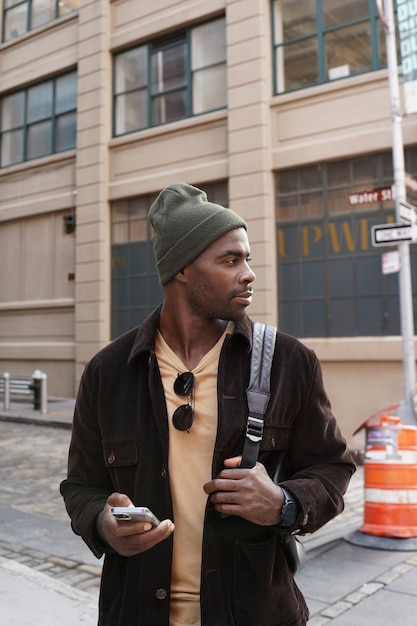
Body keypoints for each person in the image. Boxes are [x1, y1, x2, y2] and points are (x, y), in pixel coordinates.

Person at [60, 182, 355, 626]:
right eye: (230, 260)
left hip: (253, 614)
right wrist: (104, 524)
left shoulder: (290, 362)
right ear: (182, 269)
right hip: (136, 612)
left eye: (247, 259)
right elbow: (81, 486)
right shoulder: (108, 371)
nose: (248, 272)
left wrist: (284, 501)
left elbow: (334, 467)